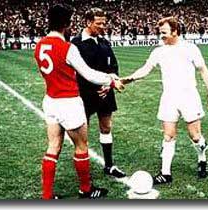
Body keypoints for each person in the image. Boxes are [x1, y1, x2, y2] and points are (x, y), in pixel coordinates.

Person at [34, 5, 124, 199]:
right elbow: (89, 74)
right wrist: (111, 79)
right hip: (69, 102)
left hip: (50, 101)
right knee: (81, 146)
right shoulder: (68, 47)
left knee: (53, 146)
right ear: (66, 24)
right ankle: (86, 189)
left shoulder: (40, 45)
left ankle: (47, 196)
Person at [121, 17, 208, 185]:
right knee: (168, 135)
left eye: (164, 33)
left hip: (189, 97)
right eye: (160, 33)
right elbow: (146, 69)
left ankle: (202, 159)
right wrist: (129, 79)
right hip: (169, 98)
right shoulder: (159, 51)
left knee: (195, 136)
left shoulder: (190, 48)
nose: (161, 36)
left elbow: (203, 71)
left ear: (175, 31)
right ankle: (165, 173)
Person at [71, 8, 126, 178]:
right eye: (99, 23)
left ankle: (109, 165)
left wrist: (108, 84)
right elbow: (77, 71)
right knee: (82, 135)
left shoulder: (104, 42)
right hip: (84, 94)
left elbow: (114, 66)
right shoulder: (76, 43)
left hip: (106, 92)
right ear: (88, 22)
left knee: (106, 127)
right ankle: (84, 170)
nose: (103, 26)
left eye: (104, 23)